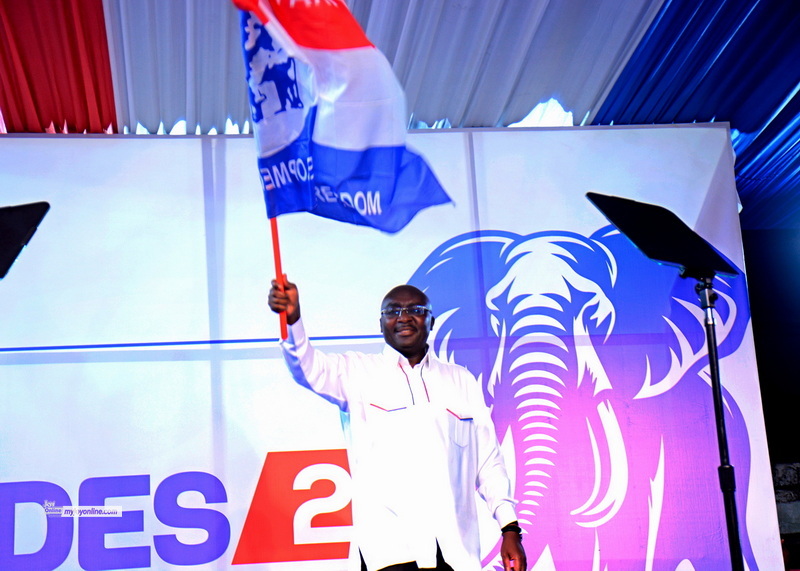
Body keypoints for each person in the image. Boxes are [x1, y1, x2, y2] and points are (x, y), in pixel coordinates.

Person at [268, 278, 527, 571]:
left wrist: (509, 529)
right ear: (381, 324)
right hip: (390, 552)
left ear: (431, 320)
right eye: (393, 311)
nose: (403, 317)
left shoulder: (461, 380)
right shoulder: (356, 373)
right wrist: (293, 320)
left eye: (415, 309)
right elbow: (306, 367)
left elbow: (489, 462)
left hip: (456, 552)